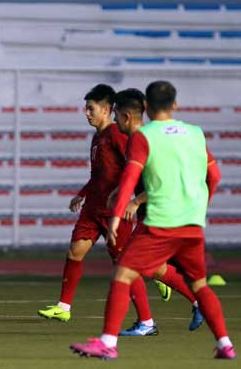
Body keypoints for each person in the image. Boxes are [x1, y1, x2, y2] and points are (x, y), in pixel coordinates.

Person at [70, 81, 235, 360]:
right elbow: (215, 176)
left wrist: (117, 214)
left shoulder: (143, 136)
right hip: (192, 224)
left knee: (122, 274)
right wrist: (199, 207)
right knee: (199, 285)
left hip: (160, 222)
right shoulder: (195, 132)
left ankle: (109, 342)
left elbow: (130, 178)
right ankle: (225, 344)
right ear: (175, 105)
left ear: (145, 107)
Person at [38, 84, 157, 334]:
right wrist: (81, 194)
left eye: (91, 108)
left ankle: (147, 320)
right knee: (75, 252)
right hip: (93, 208)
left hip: (114, 211)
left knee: (124, 266)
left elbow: (133, 169)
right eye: (86, 108)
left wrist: (126, 198)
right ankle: (63, 307)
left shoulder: (117, 135)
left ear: (106, 110)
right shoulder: (97, 136)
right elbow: (97, 175)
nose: (86, 113)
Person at [110, 88, 203, 334]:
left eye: (116, 114)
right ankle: (198, 301)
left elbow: (164, 182)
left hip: (157, 213)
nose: (114, 120)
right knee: (154, 268)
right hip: (154, 213)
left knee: (126, 264)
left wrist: (135, 202)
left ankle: (143, 324)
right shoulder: (137, 139)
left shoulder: (146, 140)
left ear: (126, 116)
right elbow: (138, 175)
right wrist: (119, 192)